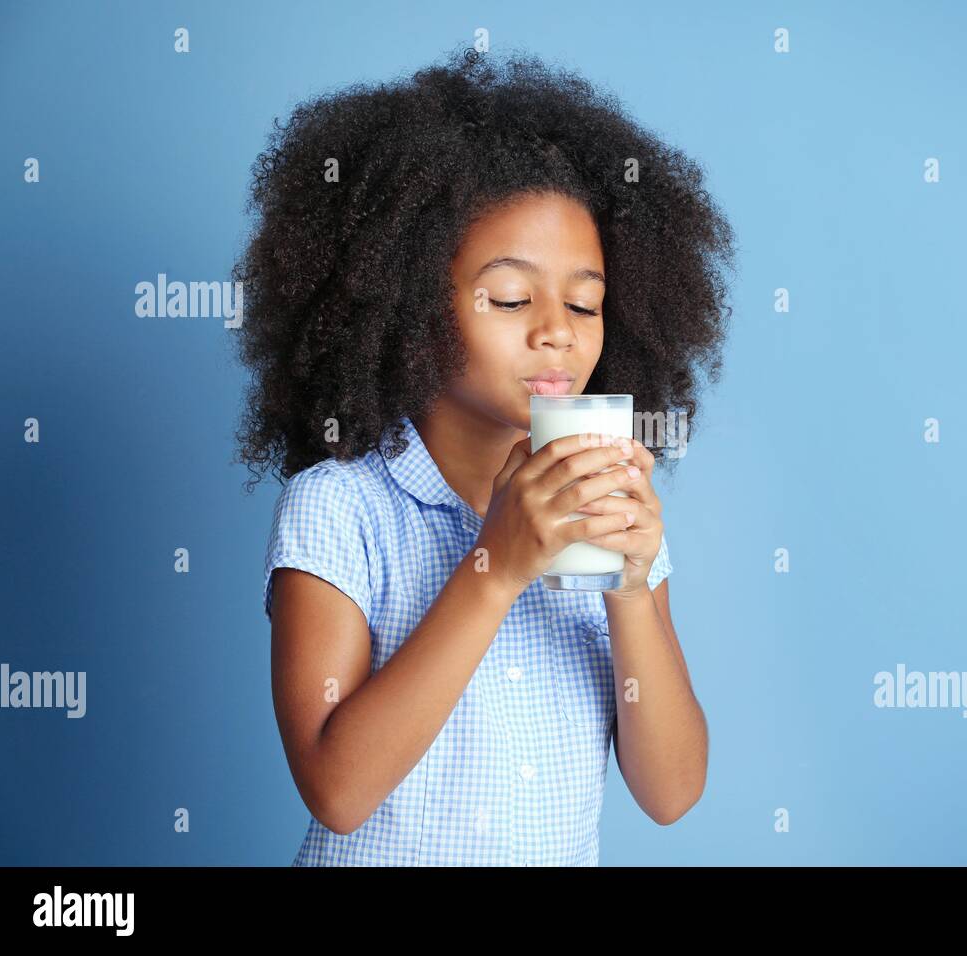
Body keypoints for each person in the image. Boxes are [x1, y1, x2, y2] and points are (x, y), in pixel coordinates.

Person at [233, 47, 735, 865]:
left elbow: (672, 793)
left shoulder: (604, 504)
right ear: (406, 300)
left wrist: (634, 592)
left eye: (584, 302)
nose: (557, 330)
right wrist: (496, 567)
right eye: (510, 297)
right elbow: (338, 788)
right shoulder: (340, 507)